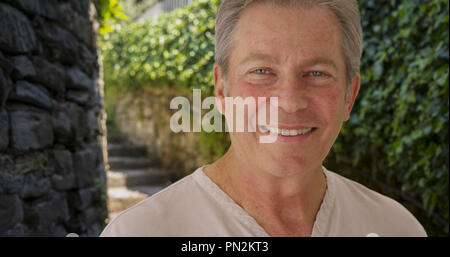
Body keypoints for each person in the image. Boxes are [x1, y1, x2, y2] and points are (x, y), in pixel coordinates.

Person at [100, 0, 427, 237]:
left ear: (349, 96)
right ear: (222, 90)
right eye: (261, 71)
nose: (289, 102)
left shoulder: (397, 228)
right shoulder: (138, 232)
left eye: (316, 73)